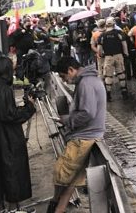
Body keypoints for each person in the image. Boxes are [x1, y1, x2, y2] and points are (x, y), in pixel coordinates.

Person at [47, 57, 106, 213]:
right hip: (88, 135)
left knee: (61, 174)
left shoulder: (86, 83)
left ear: (71, 70)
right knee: (71, 180)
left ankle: (53, 205)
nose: (64, 80)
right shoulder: (89, 80)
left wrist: (66, 120)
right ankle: (57, 209)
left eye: (63, 76)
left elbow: (87, 113)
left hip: (83, 137)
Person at [0, 56, 37, 211]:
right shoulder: (3, 88)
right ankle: (13, 207)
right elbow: (9, 115)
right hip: (7, 139)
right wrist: (29, 107)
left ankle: (0, 206)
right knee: (12, 172)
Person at [98, 19, 129, 100]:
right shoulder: (119, 33)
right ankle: (124, 93)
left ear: (106, 25)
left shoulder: (102, 35)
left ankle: (108, 95)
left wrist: (101, 55)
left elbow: (99, 49)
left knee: (108, 76)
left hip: (108, 57)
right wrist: (126, 54)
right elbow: (124, 44)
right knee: (121, 74)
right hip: (119, 55)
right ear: (114, 24)